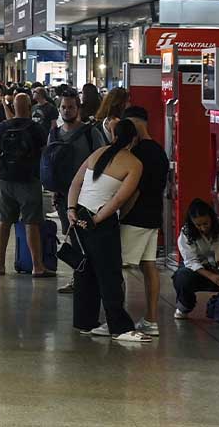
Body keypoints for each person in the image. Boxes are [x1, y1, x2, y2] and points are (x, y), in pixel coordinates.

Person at [66, 119, 151, 343]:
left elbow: (75, 183)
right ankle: (119, 327)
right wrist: (96, 220)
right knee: (109, 274)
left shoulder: (98, 153)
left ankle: (85, 322)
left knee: (85, 271)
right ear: (134, 139)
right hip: (99, 221)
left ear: (113, 135)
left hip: (79, 216)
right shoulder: (134, 164)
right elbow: (119, 200)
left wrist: (71, 210)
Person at [113, 106, 169, 336]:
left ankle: (118, 320)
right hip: (154, 217)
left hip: (135, 217)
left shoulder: (137, 154)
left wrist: (120, 214)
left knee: (116, 267)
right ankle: (151, 320)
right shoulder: (159, 151)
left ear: (136, 124)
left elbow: (133, 191)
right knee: (149, 266)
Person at [48, 91, 108, 294]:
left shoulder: (91, 133)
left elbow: (102, 161)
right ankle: (79, 277)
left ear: (78, 108)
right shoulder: (54, 134)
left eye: (71, 107)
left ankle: (92, 278)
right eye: (63, 107)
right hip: (64, 196)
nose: (67, 111)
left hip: (88, 196)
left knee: (89, 238)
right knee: (72, 237)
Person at [0, 93, 52, 277]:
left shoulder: (2, 127)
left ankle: (0, 265)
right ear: (29, 107)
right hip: (29, 180)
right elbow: (44, 153)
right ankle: (37, 266)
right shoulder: (36, 128)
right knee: (31, 223)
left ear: (13, 107)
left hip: (6, 180)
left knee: (4, 222)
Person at [172, 199, 219, 320]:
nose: (203, 228)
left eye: (206, 223)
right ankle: (185, 305)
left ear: (212, 218)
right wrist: (211, 276)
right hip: (198, 272)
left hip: (218, 268)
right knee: (181, 277)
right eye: (198, 225)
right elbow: (191, 261)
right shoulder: (186, 233)